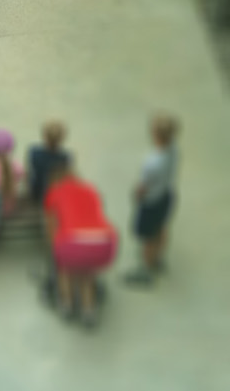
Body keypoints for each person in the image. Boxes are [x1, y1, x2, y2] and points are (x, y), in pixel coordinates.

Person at [43, 162, 118, 328]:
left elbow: (51, 227)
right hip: (105, 241)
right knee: (87, 273)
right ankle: (88, 311)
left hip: (73, 241)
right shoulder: (91, 189)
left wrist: (56, 248)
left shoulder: (54, 192)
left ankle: (67, 305)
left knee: (64, 269)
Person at [124, 115, 180, 287]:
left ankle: (145, 272)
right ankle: (157, 259)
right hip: (166, 195)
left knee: (148, 238)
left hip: (151, 202)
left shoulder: (152, 162)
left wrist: (136, 195)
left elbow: (143, 187)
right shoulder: (174, 150)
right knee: (161, 227)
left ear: (155, 134)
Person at [27, 121, 71, 205]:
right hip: (54, 197)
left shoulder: (34, 152)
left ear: (44, 136)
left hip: (37, 193)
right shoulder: (65, 158)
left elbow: (30, 172)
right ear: (62, 138)